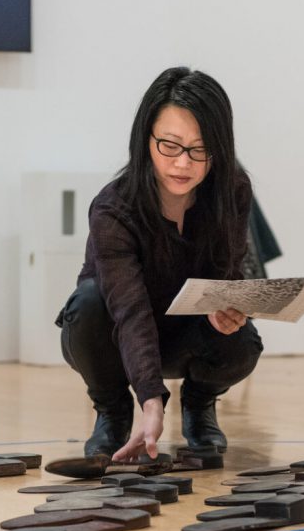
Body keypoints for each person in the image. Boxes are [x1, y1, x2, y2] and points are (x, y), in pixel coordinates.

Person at [56, 66, 263, 464]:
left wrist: (228, 310)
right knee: (87, 304)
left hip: (188, 333)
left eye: (200, 149)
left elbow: (228, 273)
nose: (183, 164)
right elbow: (130, 311)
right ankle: (112, 412)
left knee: (244, 341)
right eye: (169, 145)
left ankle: (200, 404)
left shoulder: (232, 190)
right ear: (145, 140)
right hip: (117, 334)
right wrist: (151, 404)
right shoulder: (113, 207)